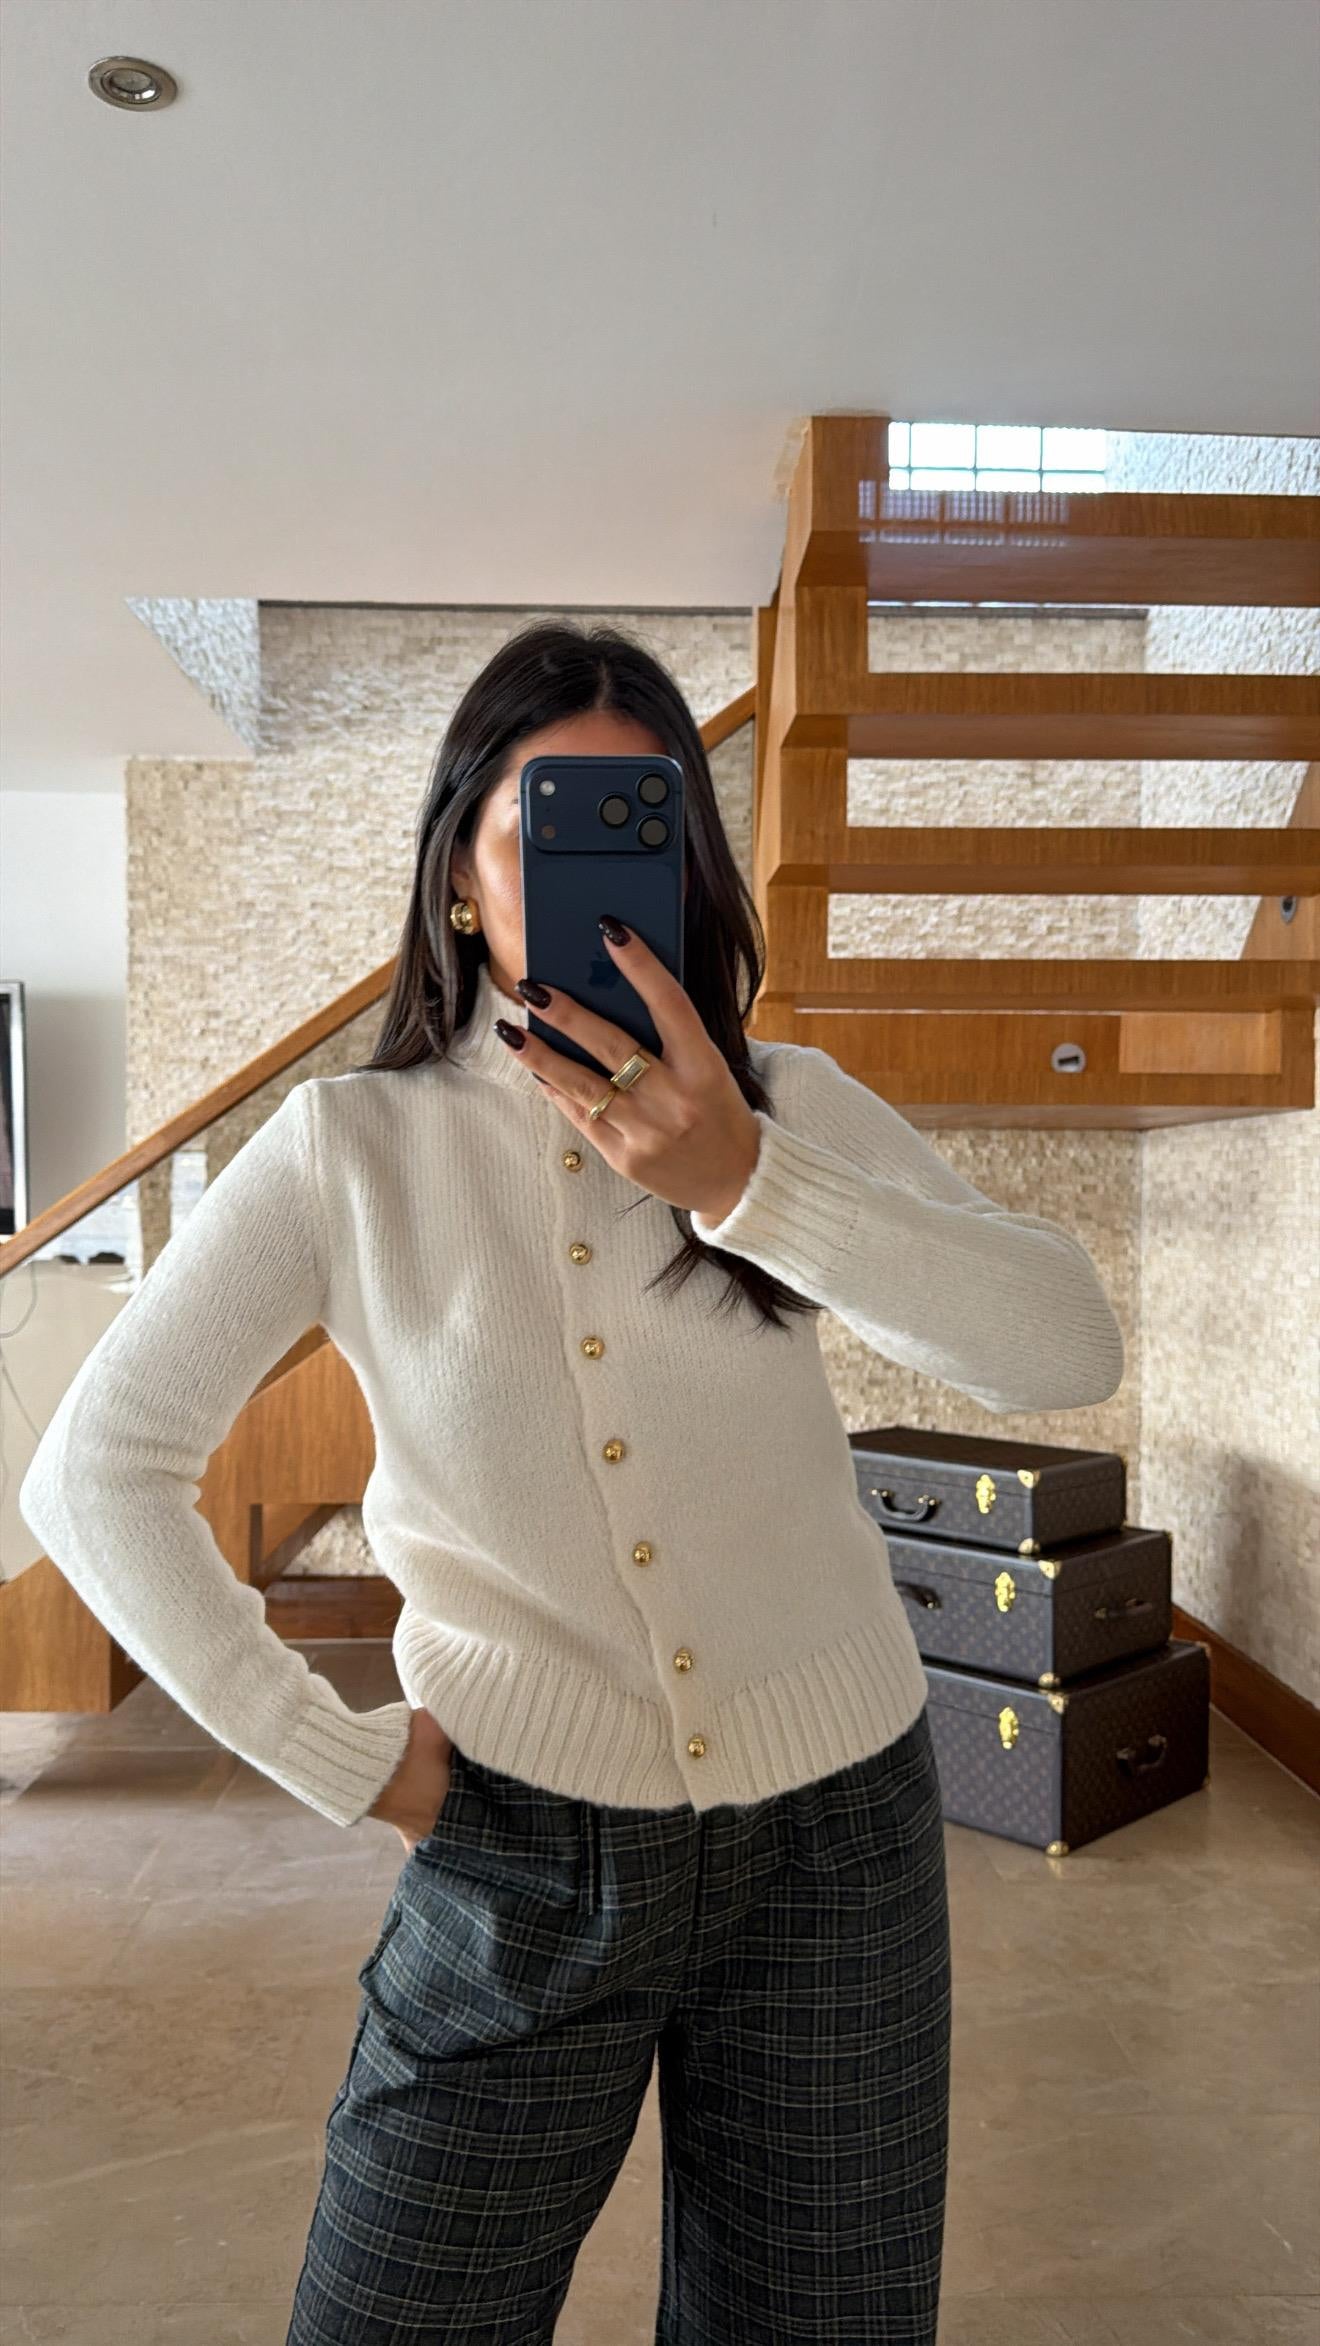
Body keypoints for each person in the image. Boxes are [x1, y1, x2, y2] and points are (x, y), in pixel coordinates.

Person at [20, 618, 1125, 2343]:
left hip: (837, 1840)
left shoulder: (791, 1106)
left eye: (643, 816)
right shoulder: (348, 1152)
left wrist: (750, 1180)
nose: (599, 867)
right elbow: (94, 1471)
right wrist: (342, 1755)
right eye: (544, 826)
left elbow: (1063, 1343)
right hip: (514, 1842)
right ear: (462, 880)